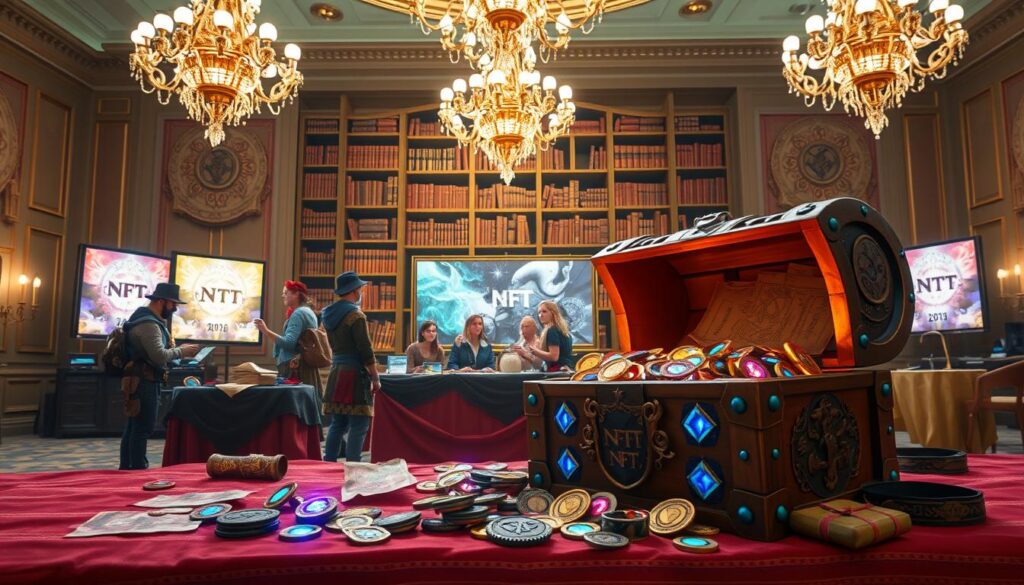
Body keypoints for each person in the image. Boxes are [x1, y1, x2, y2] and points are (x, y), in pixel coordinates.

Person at [119, 283, 199, 470]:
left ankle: (127, 468)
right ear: (161, 301)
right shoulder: (149, 324)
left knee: (134, 427)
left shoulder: (142, 319)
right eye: (172, 304)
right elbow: (159, 356)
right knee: (142, 428)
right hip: (144, 381)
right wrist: (182, 351)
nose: (174, 308)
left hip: (137, 380)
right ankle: (137, 469)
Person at [320, 271, 380, 462]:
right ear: (354, 290)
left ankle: (328, 464)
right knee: (359, 423)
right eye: (360, 288)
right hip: (354, 373)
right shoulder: (356, 315)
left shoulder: (328, 314)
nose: (361, 291)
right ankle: (354, 467)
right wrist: (375, 376)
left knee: (337, 423)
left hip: (336, 371)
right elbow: (365, 349)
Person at [253, 280, 323, 402]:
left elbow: (288, 343)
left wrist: (265, 330)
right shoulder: (308, 312)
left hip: (293, 369)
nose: (283, 295)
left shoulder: (299, 314)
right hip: (300, 366)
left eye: (286, 292)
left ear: (296, 294)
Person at [526, 300, 574, 372]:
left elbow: (554, 357)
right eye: (539, 312)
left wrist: (535, 351)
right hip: (566, 370)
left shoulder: (552, 330)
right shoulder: (560, 329)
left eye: (544, 311)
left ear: (553, 313)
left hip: (557, 371)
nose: (540, 315)